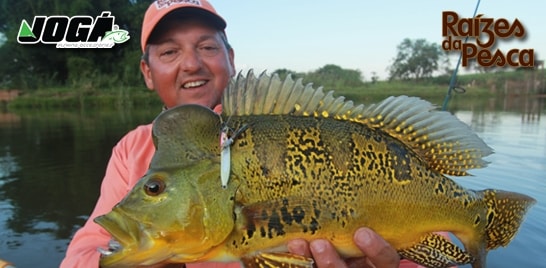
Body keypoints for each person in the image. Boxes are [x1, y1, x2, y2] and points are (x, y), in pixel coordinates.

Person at [61, 1, 411, 267]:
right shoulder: (132, 149)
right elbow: (84, 254)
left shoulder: (277, 122)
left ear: (230, 58)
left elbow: (429, 235)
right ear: (147, 72)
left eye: (207, 47)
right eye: (169, 51)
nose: (191, 64)